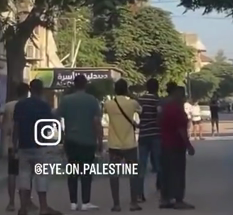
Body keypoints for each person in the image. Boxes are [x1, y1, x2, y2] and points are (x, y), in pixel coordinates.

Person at [13, 79, 62, 215]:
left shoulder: (20, 105)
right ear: (41, 89)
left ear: (30, 89)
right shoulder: (44, 105)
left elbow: (16, 126)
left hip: (23, 145)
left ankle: (23, 208)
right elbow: (49, 126)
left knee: (24, 176)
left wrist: (14, 144)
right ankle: (43, 208)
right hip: (40, 146)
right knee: (41, 176)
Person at [56, 75, 102, 211]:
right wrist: (100, 141)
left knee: (72, 171)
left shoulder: (66, 100)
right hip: (88, 141)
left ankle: (73, 202)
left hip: (71, 140)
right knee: (87, 172)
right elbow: (96, 123)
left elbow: (58, 117)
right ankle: (86, 202)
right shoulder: (92, 100)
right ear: (85, 85)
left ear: (74, 84)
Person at [0, 83, 38, 212]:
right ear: (28, 92)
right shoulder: (29, 105)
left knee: (12, 173)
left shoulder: (9, 105)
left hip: (10, 143)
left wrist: (3, 127)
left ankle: (11, 202)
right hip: (26, 142)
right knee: (27, 174)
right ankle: (27, 202)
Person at [103, 79, 142, 211]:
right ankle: (133, 203)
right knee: (133, 174)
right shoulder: (132, 103)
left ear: (115, 90)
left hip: (114, 144)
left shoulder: (108, 104)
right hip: (129, 144)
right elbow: (140, 108)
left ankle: (116, 204)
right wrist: (130, 95)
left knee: (114, 175)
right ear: (126, 89)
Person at [159, 86, 195, 209]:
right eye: (182, 95)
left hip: (165, 144)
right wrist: (188, 145)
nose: (184, 98)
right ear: (177, 95)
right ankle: (179, 200)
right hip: (176, 145)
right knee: (178, 172)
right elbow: (181, 130)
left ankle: (165, 198)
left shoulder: (165, 108)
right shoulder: (177, 110)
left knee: (167, 172)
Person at [136, 78, 161, 202]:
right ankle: (161, 189)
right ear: (157, 87)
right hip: (156, 134)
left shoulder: (141, 100)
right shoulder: (157, 100)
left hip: (143, 134)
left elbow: (138, 113)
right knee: (159, 163)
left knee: (142, 164)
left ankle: (139, 193)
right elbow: (160, 115)